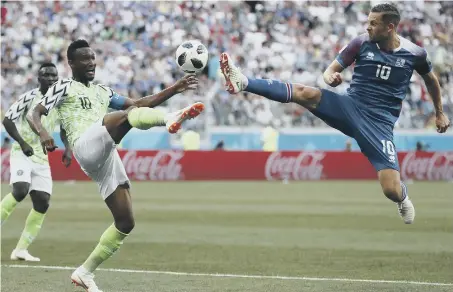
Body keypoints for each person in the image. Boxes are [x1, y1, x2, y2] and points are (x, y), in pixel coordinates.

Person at [219, 3, 450, 225]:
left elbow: (431, 80)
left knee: (391, 189)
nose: (367, 27)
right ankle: (244, 82)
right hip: (350, 107)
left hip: (379, 124)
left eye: (373, 23)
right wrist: (330, 78)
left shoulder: (415, 53)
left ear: (390, 27)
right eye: (367, 22)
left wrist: (439, 113)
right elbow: (330, 71)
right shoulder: (360, 43)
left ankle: (403, 197)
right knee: (304, 93)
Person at [28, 39, 204, 292]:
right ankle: (169, 119)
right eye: (84, 59)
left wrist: (173, 89)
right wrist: (44, 133)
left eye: (92, 58)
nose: (91, 63)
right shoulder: (63, 87)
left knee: (125, 221)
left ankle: (85, 273)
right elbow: (35, 113)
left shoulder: (103, 92)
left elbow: (138, 105)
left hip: (105, 154)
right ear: (71, 63)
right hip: (84, 144)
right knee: (125, 117)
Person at [1, 62, 72, 261]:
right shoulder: (29, 97)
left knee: (42, 202)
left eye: (53, 76)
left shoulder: (60, 102)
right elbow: (7, 120)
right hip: (22, 152)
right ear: (38, 78)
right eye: (46, 75)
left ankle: (20, 250)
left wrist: (68, 148)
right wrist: (22, 142)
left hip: (42, 157)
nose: (51, 79)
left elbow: (65, 128)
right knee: (20, 190)